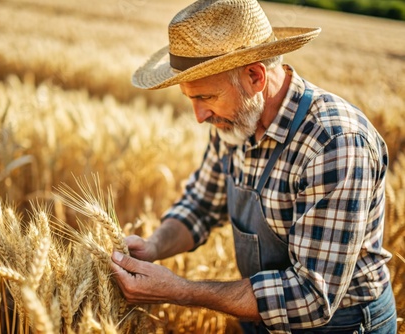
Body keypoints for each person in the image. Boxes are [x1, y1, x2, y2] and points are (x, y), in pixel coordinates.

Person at [109, 0, 397, 333]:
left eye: (206, 97)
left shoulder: (334, 142)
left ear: (255, 76)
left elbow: (312, 297)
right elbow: (202, 204)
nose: (198, 117)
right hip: (259, 319)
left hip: (340, 326)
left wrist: (182, 291)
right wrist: (155, 245)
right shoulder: (236, 121)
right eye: (190, 99)